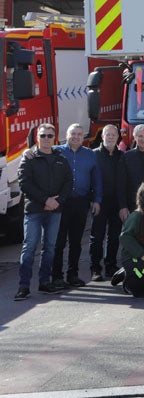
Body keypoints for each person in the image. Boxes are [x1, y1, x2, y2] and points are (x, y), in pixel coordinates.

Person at [15, 124, 72, 301]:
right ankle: (23, 287)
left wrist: (57, 201)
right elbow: (24, 183)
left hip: (55, 210)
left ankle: (44, 283)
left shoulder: (61, 158)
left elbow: (68, 182)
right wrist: (45, 200)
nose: (46, 138)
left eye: (49, 135)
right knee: (30, 247)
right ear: (37, 138)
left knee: (50, 247)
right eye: (43, 135)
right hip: (34, 210)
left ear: (54, 138)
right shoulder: (29, 158)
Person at [48, 123, 102, 290]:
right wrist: (28, 152)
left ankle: (73, 274)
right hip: (61, 203)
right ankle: (56, 276)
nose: (76, 137)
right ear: (67, 134)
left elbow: (97, 179)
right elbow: (38, 154)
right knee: (59, 242)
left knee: (76, 241)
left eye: (79, 134)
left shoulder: (90, 155)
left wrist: (97, 200)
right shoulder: (56, 151)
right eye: (73, 133)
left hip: (81, 202)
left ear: (83, 136)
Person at [90, 124, 124, 282]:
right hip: (99, 202)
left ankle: (111, 265)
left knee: (115, 236)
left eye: (113, 135)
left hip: (117, 203)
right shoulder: (93, 155)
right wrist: (93, 200)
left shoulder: (122, 156)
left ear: (118, 137)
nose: (110, 137)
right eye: (107, 135)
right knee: (97, 236)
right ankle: (95, 268)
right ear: (102, 137)